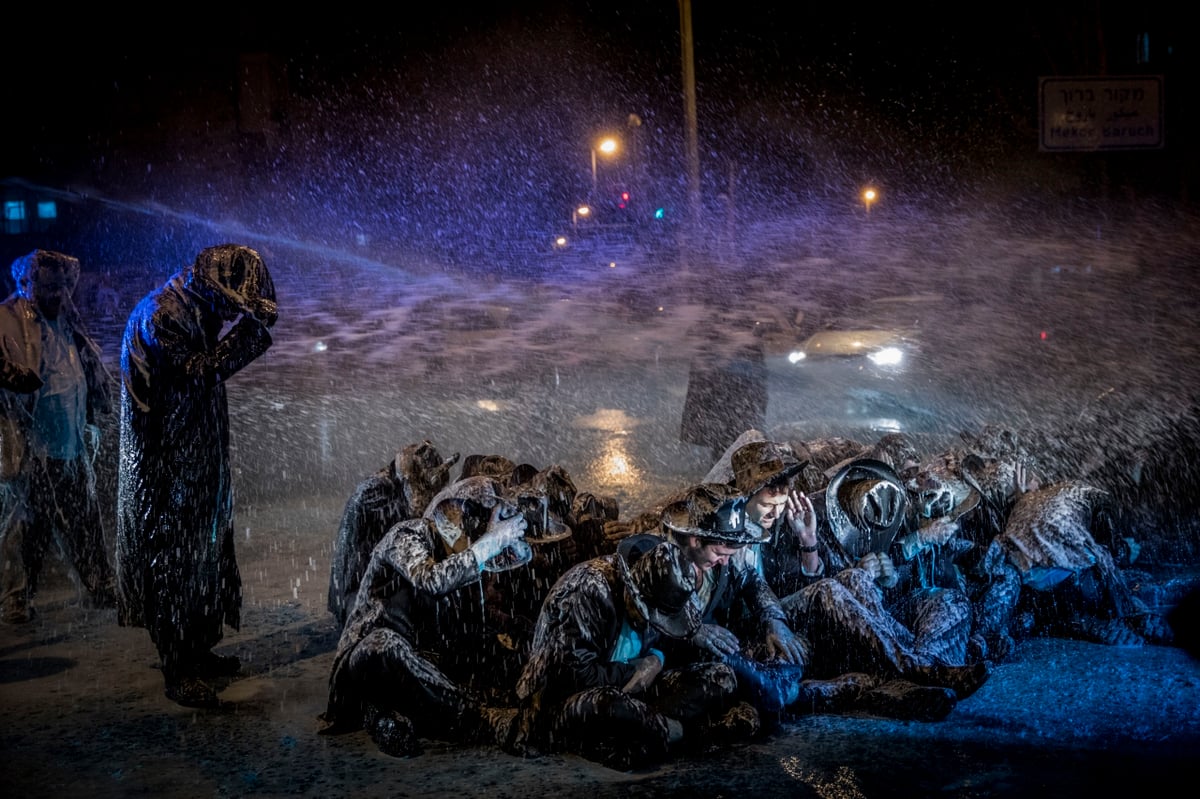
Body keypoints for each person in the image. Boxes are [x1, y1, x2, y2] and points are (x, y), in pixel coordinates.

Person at [115, 243, 277, 708]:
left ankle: (197, 649)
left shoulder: (195, 308)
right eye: (233, 306)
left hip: (195, 456)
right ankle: (177, 665)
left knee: (204, 555)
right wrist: (249, 334)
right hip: (165, 464)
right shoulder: (163, 314)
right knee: (172, 560)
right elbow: (199, 372)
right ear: (215, 288)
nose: (231, 315)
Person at [731, 440, 990, 720]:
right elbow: (767, 587)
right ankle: (915, 668)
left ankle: (917, 673)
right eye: (772, 487)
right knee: (842, 583)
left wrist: (888, 574)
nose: (780, 495)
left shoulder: (786, 517)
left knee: (949, 602)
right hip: (782, 625)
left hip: (862, 620)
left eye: (784, 485)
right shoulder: (744, 528)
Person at [319, 475, 530, 758]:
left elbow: (471, 625)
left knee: (489, 652)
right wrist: (491, 542)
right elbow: (431, 579)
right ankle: (481, 720)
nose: (476, 535)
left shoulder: (459, 561)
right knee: (384, 645)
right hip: (368, 663)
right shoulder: (407, 535)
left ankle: (389, 716)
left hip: (422, 666)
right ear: (454, 512)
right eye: (475, 523)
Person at [507, 537, 743, 770]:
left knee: (720, 677)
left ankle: (646, 732)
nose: (651, 624)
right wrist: (633, 670)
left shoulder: (666, 585)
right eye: (649, 616)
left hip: (634, 693)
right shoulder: (589, 589)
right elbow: (575, 676)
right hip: (563, 703)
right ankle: (680, 733)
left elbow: (668, 641)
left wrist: (656, 659)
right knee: (610, 706)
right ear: (634, 591)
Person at [0, 249, 116, 624]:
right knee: (26, 528)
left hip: (70, 444)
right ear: (25, 283)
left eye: (65, 286)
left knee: (84, 520)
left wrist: (91, 418)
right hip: (31, 446)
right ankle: (15, 599)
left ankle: (100, 585)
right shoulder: (7, 319)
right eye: (49, 286)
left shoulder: (67, 322)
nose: (58, 294)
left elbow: (84, 371)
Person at [327, 440, 460, 629]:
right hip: (358, 590)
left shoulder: (391, 484)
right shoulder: (376, 490)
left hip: (377, 580)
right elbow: (409, 525)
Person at [679, 312, 768, 463]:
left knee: (727, 441)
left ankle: (724, 471)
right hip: (731, 398)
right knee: (732, 440)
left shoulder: (712, 333)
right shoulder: (740, 338)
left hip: (726, 397)